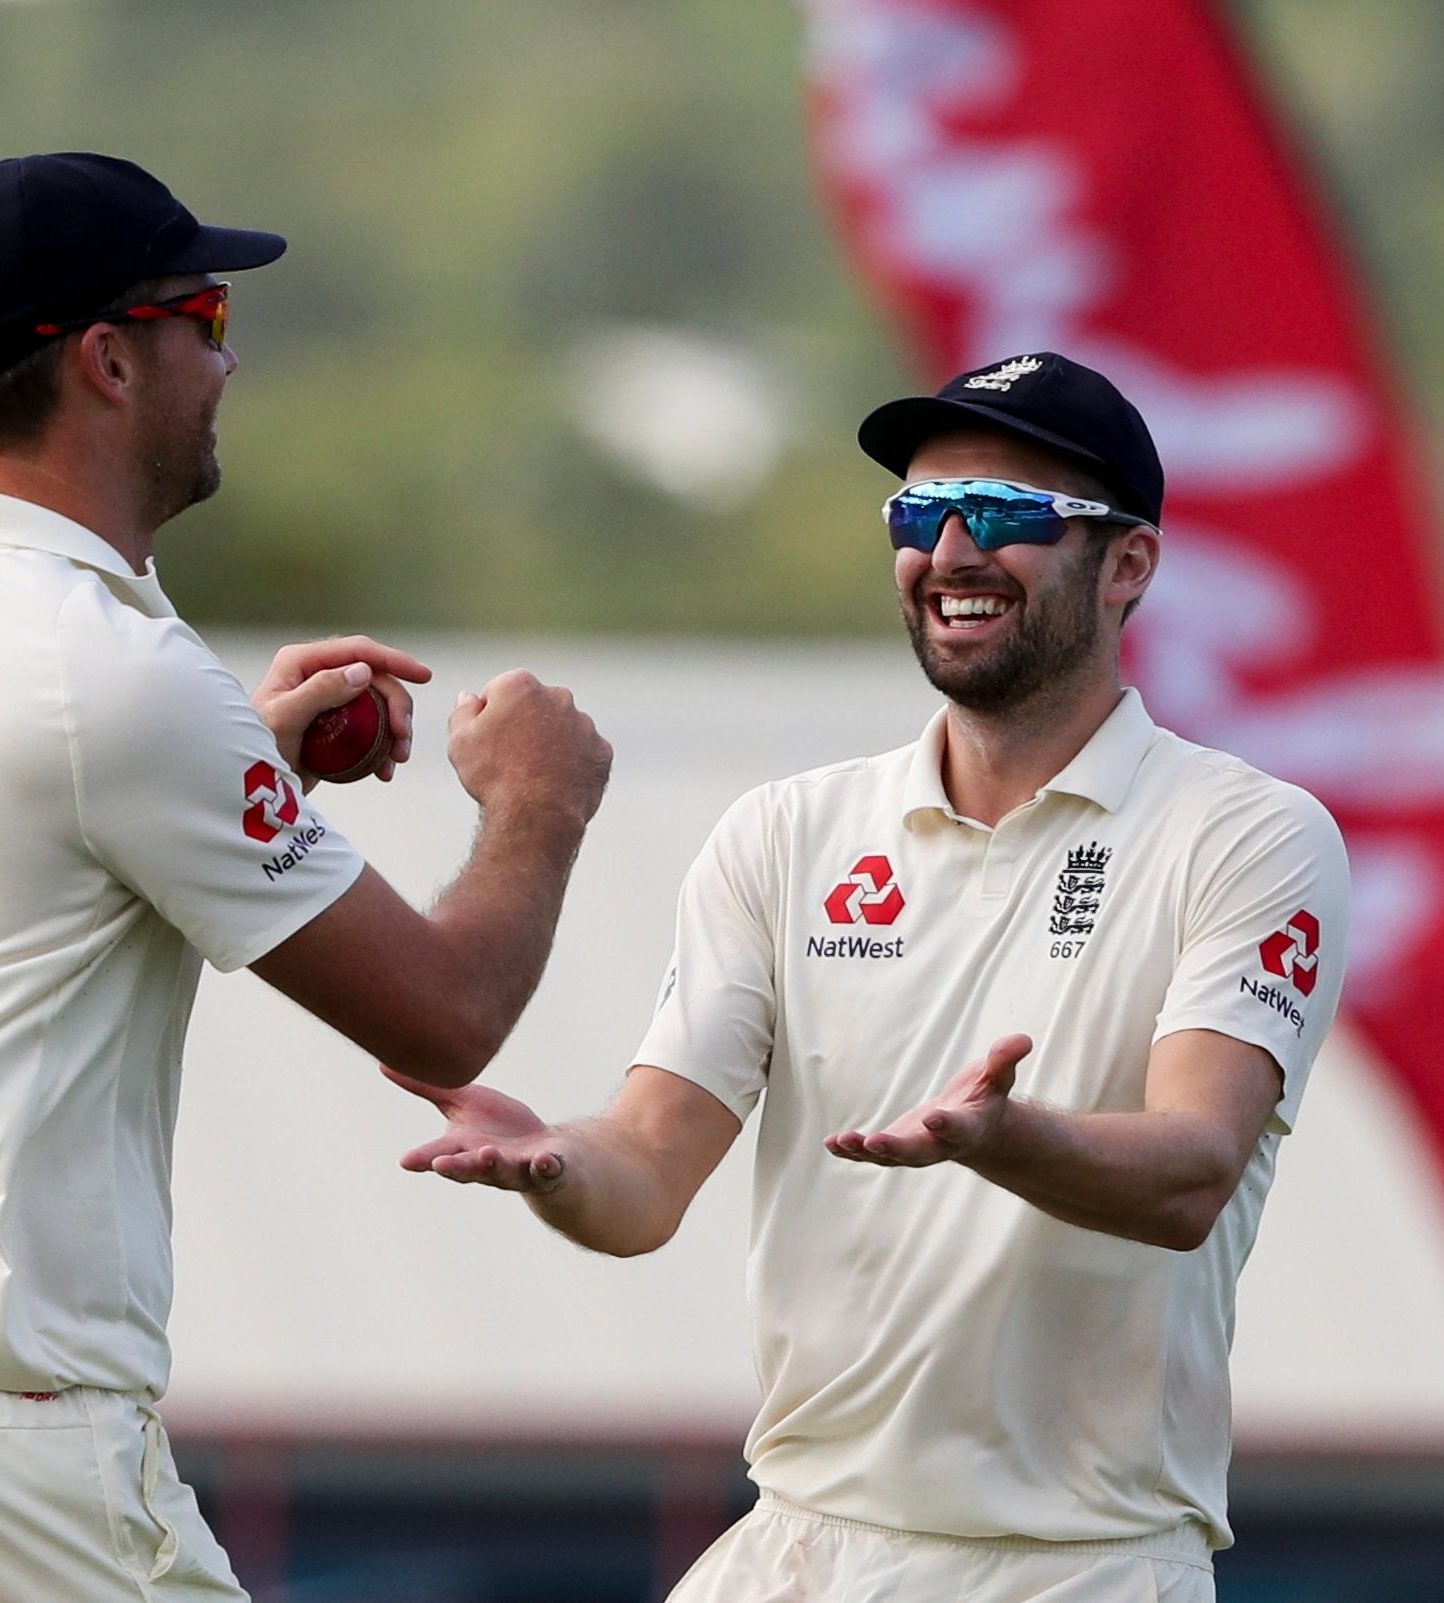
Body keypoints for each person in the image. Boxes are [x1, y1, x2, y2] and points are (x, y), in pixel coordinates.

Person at [0, 152, 613, 1603]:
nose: (227, 357)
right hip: (4, 1458)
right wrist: (538, 803)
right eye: (205, 312)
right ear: (111, 360)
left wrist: (238, 762)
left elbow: (18, 852)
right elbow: (447, 1016)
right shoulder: (112, 676)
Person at [395, 352, 1349, 1602]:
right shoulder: (785, 831)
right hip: (796, 1546)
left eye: (1005, 514)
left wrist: (997, 1139)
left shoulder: (1247, 832)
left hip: (1076, 1563)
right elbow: (646, 1178)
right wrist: (555, 1164)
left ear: (1126, 565)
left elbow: (1190, 1171)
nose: (950, 549)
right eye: (917, 513)